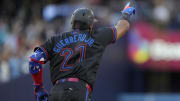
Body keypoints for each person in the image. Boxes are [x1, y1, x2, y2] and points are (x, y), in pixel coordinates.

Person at [29, 4, 135, 101]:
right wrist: (125, 14)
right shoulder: (97, 36)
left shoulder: (55, 40)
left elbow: (34, 60)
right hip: (79, 90)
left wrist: (38, 87)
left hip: (57, 91)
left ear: (72, 23)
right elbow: (123, 27)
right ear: (91, 25)